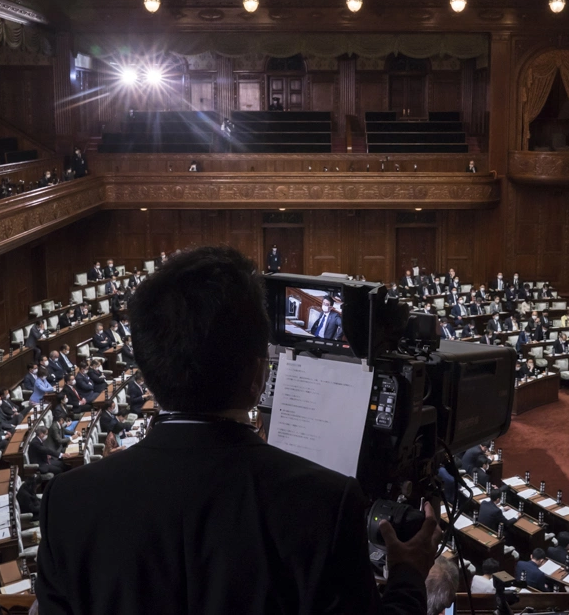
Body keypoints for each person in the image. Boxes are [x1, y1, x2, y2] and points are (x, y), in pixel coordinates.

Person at [35, 246, 439, 615]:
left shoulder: (69, 504)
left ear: (146, 370)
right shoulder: (323, 504)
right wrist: (406, 577)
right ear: (259, 376)